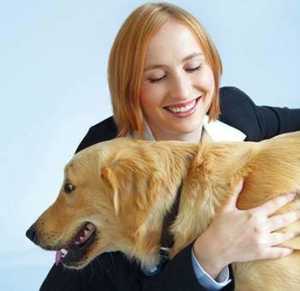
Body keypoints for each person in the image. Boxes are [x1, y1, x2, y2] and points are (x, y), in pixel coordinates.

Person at [40, 2, 300, 291]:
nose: (182, 91)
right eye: (157, 77)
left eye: (193, 67)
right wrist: (207, 256)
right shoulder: (103, 159)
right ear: (129, 88)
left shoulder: (238, 113)